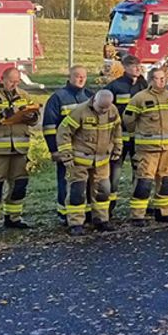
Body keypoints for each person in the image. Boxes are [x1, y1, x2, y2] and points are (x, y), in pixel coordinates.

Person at [0, 67, 39, 233]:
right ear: (2, 78)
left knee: (19, 185)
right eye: (11, 81)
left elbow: (33, 118)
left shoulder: (23, 95)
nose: (14, 84)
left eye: (17, 81)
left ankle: (13, 217)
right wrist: (4, 113)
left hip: (19, 148)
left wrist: (32, 116)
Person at [55, 89, 122, 234]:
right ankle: (75, 223)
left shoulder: (112, 110)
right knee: (77, 191)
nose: (103, 111)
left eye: (106, 108)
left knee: (103, 191)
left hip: (102, 160)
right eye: (101, 108)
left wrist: (117, 147)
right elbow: (63, 132)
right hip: (79, 160)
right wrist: (66, 155)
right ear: (94, 101)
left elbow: (117, 130)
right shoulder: (80, 111)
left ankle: (101, 220)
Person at [123, 67, 168, 225]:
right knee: (144, 183)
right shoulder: (139, 98)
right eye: (157, 78)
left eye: (163, 78)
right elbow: (128, 120)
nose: (162, 81)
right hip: (147, 150)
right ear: (150, 80)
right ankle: (138, 215)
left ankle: (162, 213)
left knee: (167, 182)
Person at [43, 65, 94, 223]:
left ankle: (86, 213)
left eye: (84, 76)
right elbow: (49, 127)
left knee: (87, 182)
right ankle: (64, 213)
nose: (81, 79)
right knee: (66, 181)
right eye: (78, 76)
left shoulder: (90, 96)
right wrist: (54, 150)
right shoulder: (58, 98)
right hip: (67, 148)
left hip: (88, 148)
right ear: (70, 77)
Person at [104, 56, 147, 217]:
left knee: (140, 173)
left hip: (138, 137)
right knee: (114, 174)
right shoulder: (115, 86)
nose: (137, 68)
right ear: (125, 67)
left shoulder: (145, 85)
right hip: (119, 138)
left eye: (138, 65)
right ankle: (108, 208)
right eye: (133, 66)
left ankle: (139, 207)